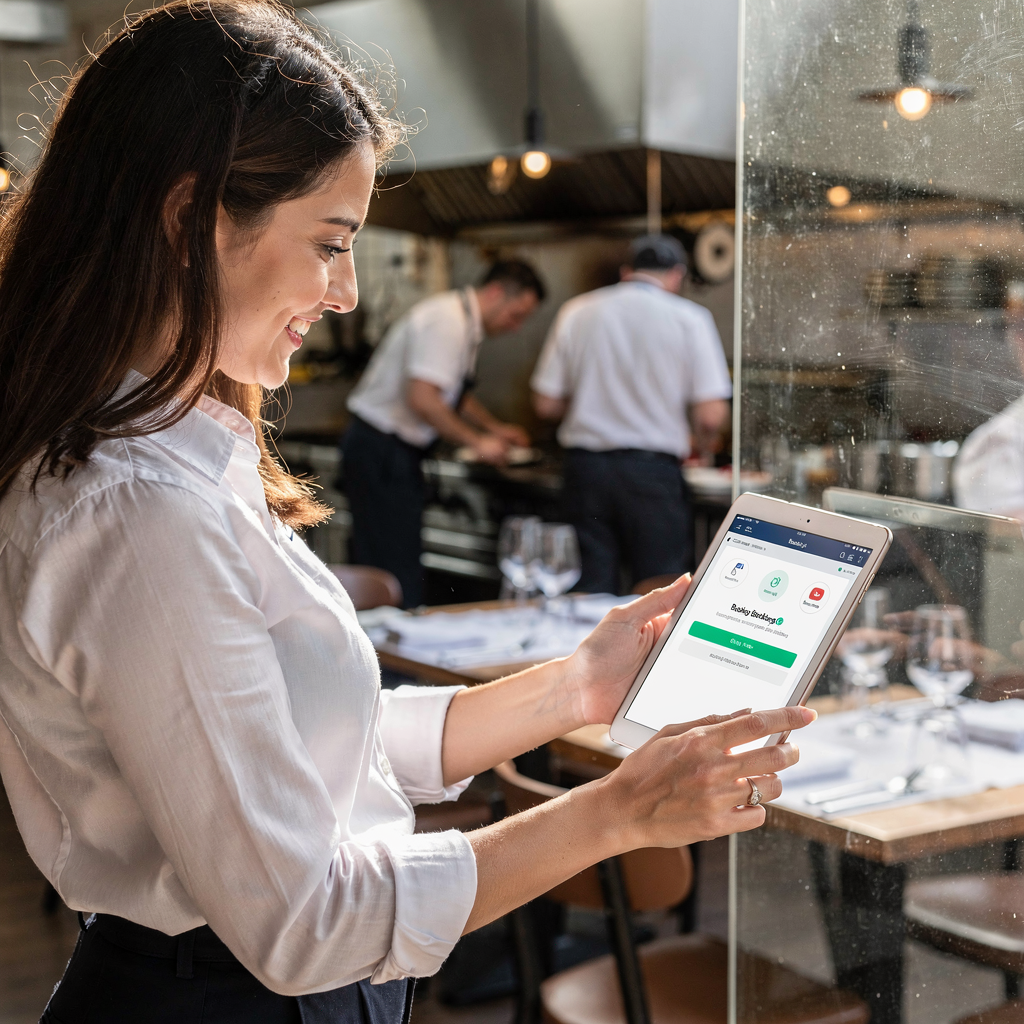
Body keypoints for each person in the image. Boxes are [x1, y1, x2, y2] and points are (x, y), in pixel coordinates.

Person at [0, 4, 813, 1021]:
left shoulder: (173, 459)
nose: (343, 291)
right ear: (187, 219)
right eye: (329, 243)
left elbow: (311, 747)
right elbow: (306, 923)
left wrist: (572, 687)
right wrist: (613, 813)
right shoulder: (134, 516)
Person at [531, 234, 733, 595]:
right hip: (652, 476)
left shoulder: (577, 311)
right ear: (676, 275)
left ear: (626, 272)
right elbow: (711, 416)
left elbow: (546, 404)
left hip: (585, 472)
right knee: (657, 594)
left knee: (587, 589)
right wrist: (699, 444)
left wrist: (592, 400)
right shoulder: (691, 318)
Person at [343, 260, 545, 606]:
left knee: (398, 561)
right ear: (496, 293)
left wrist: (494, 428)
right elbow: (423, 398)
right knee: (391, 568)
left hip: (393, 452)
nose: (515, 326)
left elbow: (452, 393)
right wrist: (477, 441)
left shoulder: (464, 323)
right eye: (516, 314)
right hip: (380, 451)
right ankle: (387, 656)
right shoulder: (446, 321)